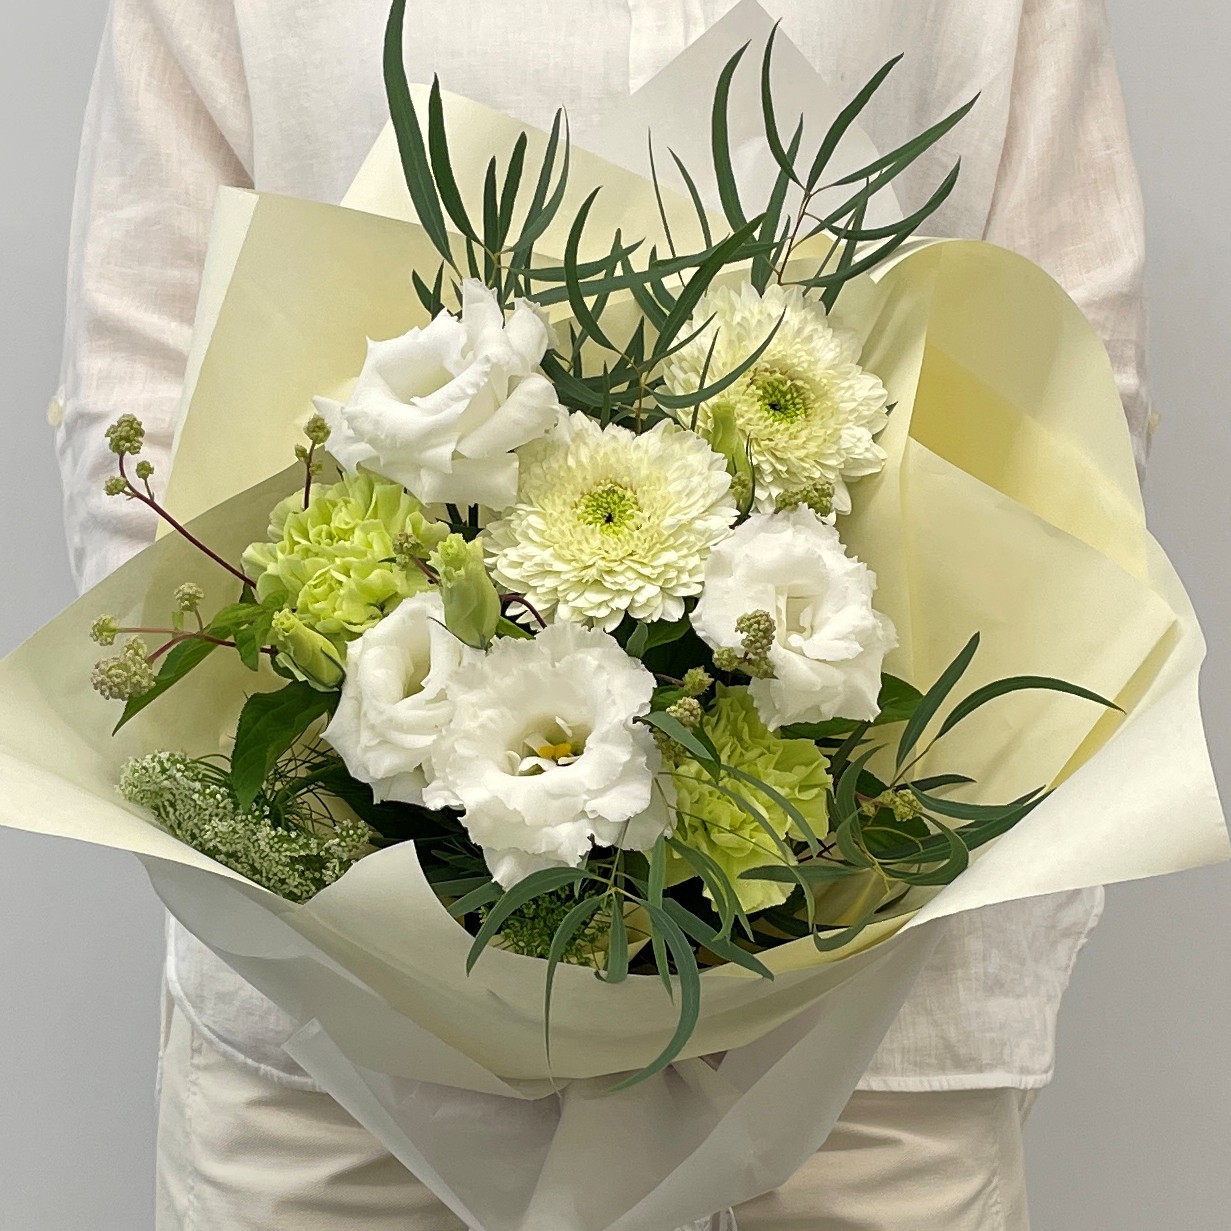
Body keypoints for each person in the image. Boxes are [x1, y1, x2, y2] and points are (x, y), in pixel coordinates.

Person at [52, 2, 1152, 1227]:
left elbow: (1070, 384)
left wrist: (846, 853)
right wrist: (342, 848)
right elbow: (144, 360)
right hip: (334, 1037)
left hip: (871, 1020)